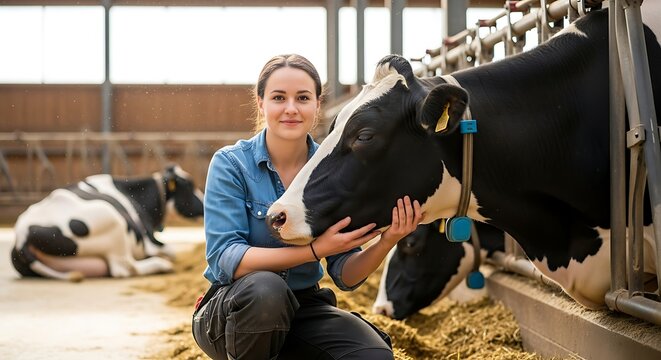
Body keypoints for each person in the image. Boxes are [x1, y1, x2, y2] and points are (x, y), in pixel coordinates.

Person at [192, 54, 423, 360]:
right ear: (261, 103)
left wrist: (388, 240)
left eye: (302, 97)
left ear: (317, 105)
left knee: (374, 355)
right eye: (278, 97)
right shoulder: (231, 164)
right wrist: (315, 251)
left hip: (304, 308)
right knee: (266, 290)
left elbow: (346, 275)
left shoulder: (338, 169)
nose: (291, 108)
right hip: (234, 310)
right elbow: (225, 257)